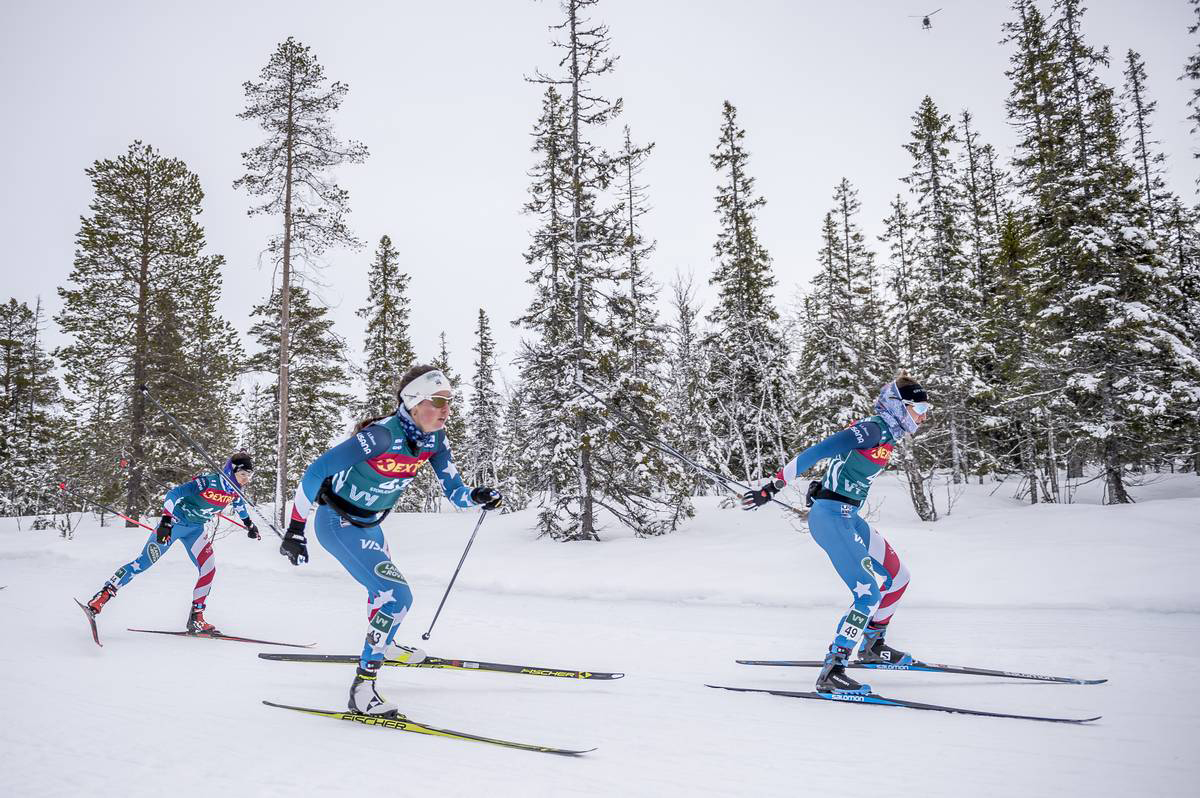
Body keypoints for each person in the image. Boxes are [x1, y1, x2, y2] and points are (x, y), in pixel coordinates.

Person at [278, 365, 503, 717]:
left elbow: (455, 492)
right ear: (413, 403)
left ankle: (389, 646)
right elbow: (316, 470)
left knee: (382, 593)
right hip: (338, 523)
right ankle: (362, 689)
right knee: (397, 596)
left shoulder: (434, 440)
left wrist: (476, 496)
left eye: (449, 402)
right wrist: (295, 529)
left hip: (371, 526)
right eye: (438, 401)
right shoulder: (382, 436)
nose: (446, 409)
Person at [742, 372, 931, 695]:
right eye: (918, 408)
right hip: (830, 517)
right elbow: (818, 451)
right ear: (898, 406)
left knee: (898, 577)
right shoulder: (872, 429)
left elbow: (844, 465)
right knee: (868, 592)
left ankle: (873, 645)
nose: (923, 416)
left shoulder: (888, 433)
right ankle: (833, 668)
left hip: (848, 514)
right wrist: (773, 485)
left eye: (926, 409)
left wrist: (826, 484)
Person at [84, 453, 260, 634]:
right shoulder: (208, 482)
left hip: (195, 530)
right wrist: (166, 522)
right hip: (174, 523)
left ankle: (196, 618)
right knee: (143, 563)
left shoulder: (235, 489)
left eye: (249, 475)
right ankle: (102, 596)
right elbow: (173, 494)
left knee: (208, 569)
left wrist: (249, 524)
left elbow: (238, 504)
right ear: (231, 471)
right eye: (243, 474)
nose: (246, 479)